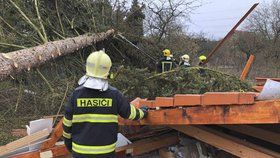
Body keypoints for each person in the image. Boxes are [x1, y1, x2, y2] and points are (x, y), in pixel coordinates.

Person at [62, 50, 148, 158]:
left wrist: (69, 146)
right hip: (106, 153)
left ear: (88, 67)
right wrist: (143, 112)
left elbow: (67, 125)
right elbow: (129, 113)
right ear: (107, 70)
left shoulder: (76, 94)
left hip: (80, 153)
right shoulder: (114, 94)